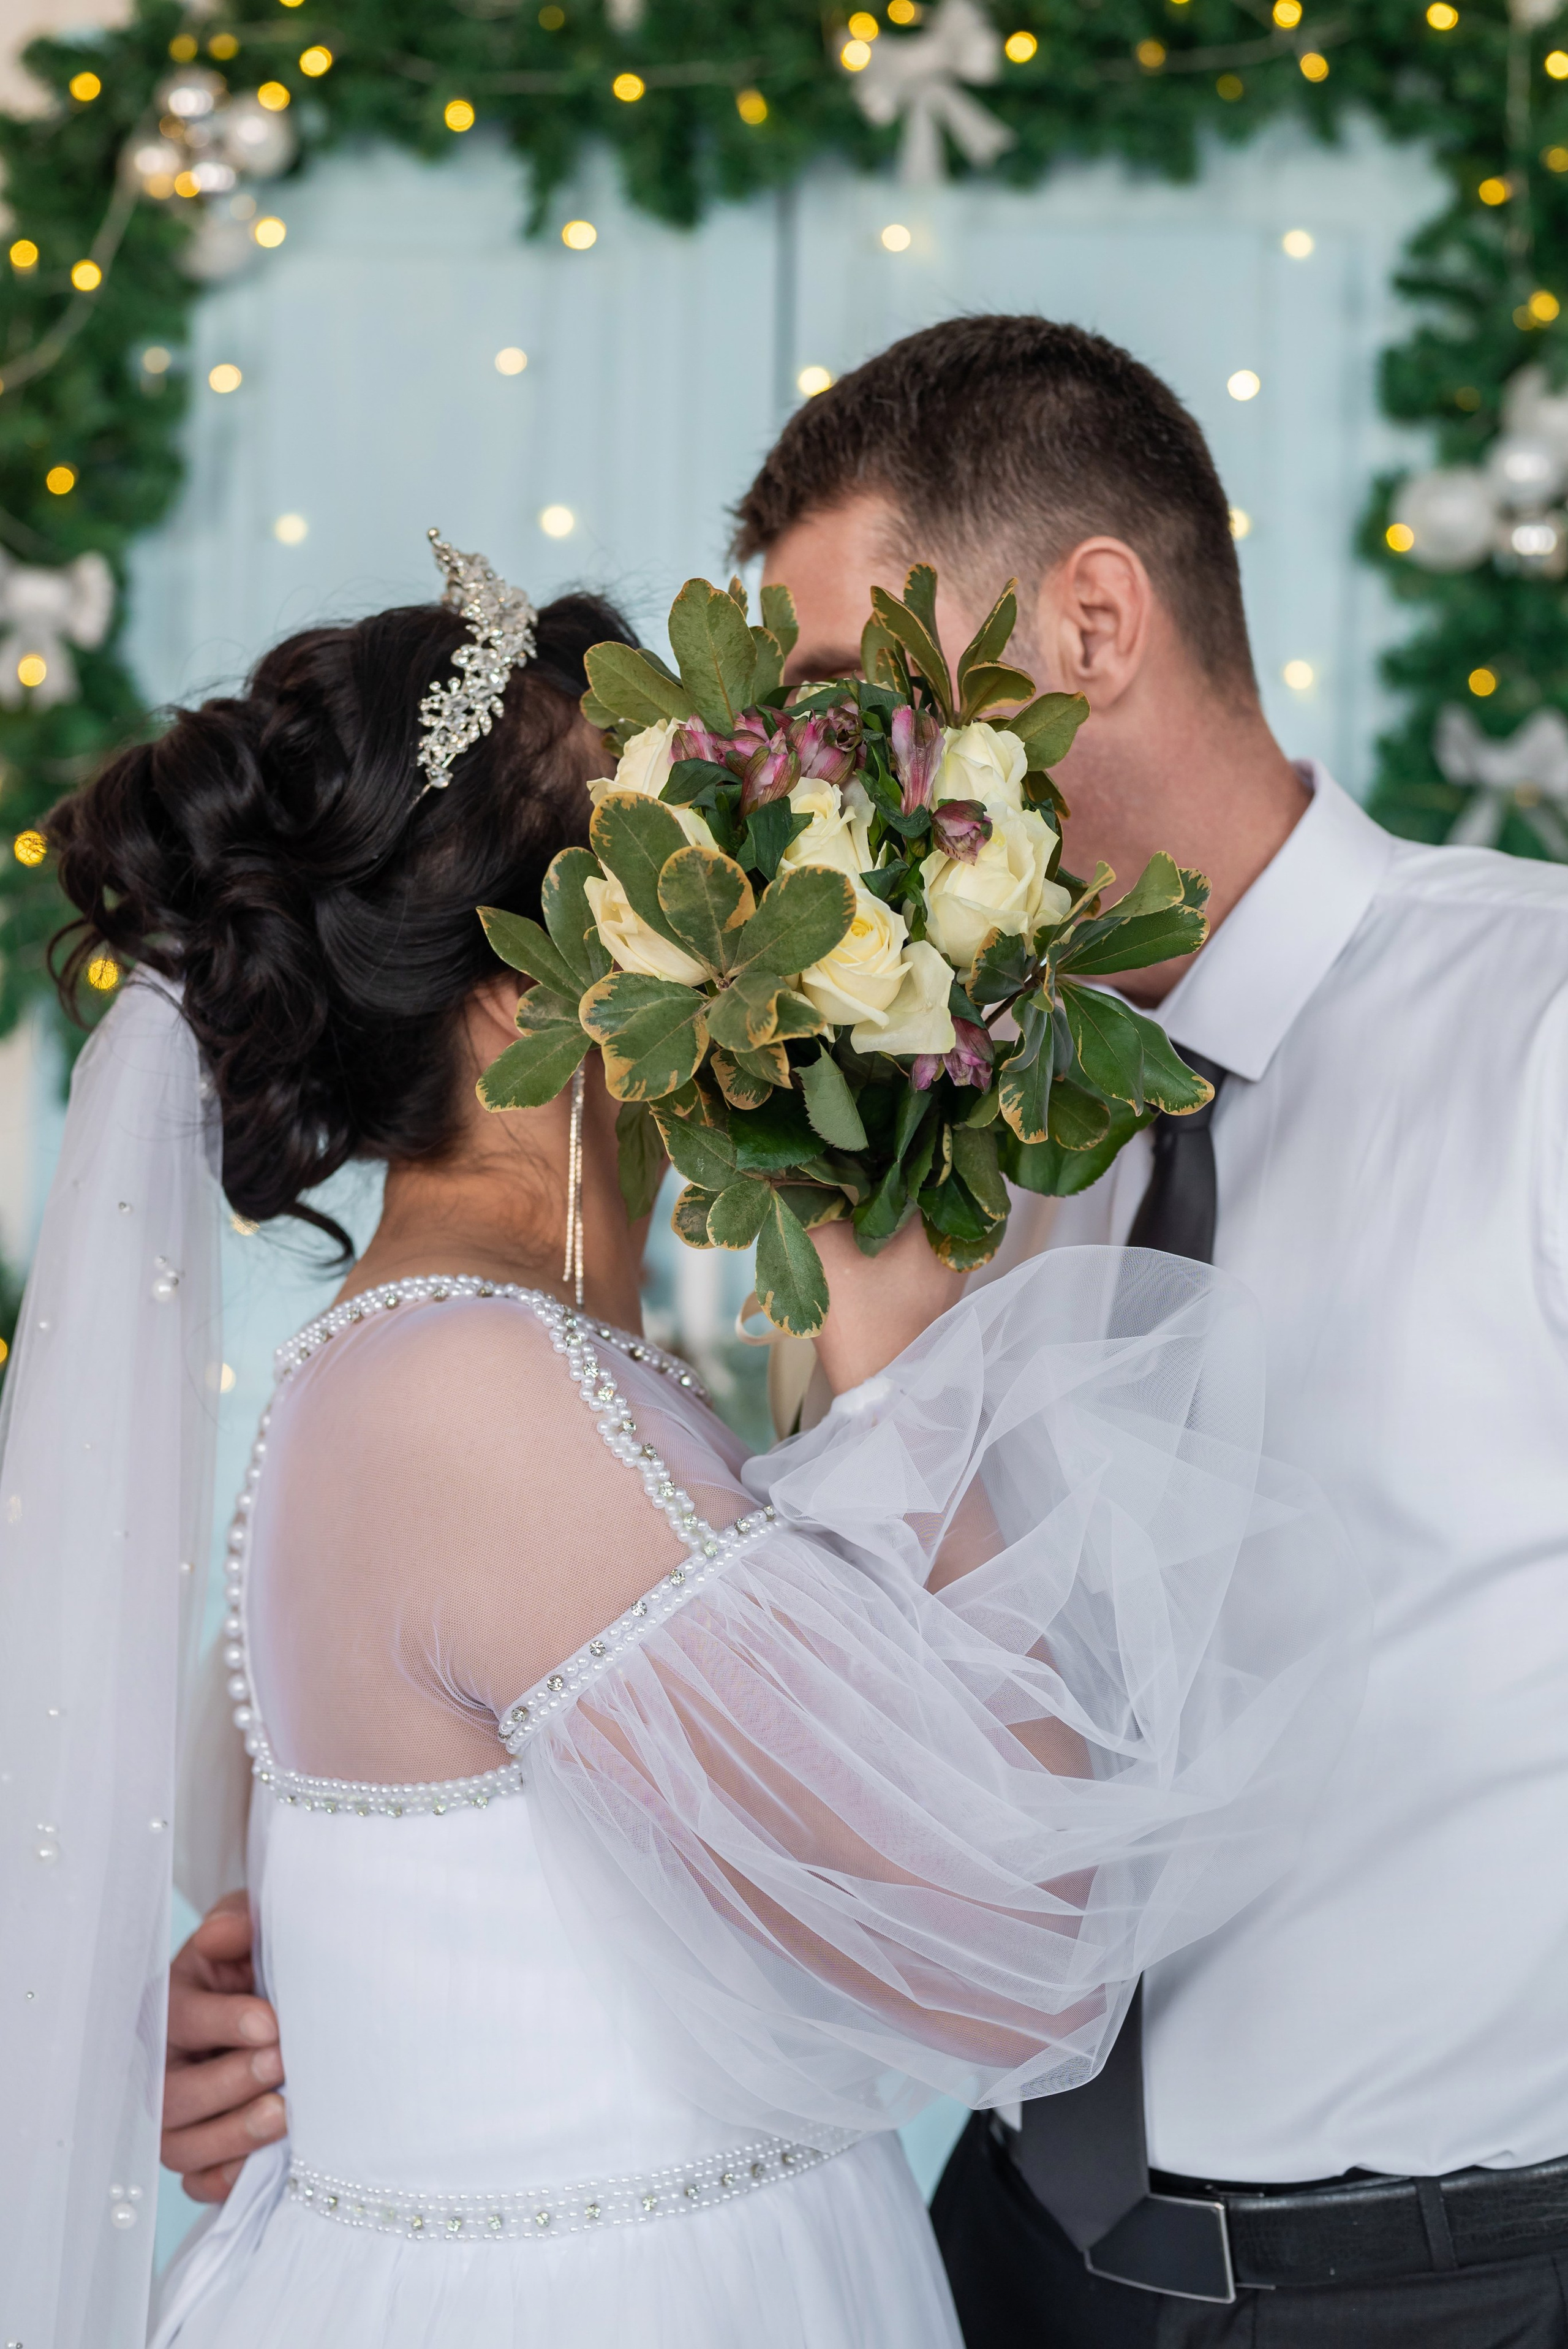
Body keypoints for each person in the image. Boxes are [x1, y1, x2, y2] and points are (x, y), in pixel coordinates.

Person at [1, 537, 1355, 2349]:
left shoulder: (496, 1369)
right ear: (517, 992)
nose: (738, 896)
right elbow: (1020, 1945)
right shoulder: (472, 1396)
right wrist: (903, 1368)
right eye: (669, 859)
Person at [734, 314, 1568, 2347]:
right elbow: (892, 1732)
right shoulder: (937, 1118)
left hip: (1446, 2290)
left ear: (1092, 618)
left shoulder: (1544, 1033)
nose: (807, 786)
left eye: (851, 702)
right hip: (1008, 2242)